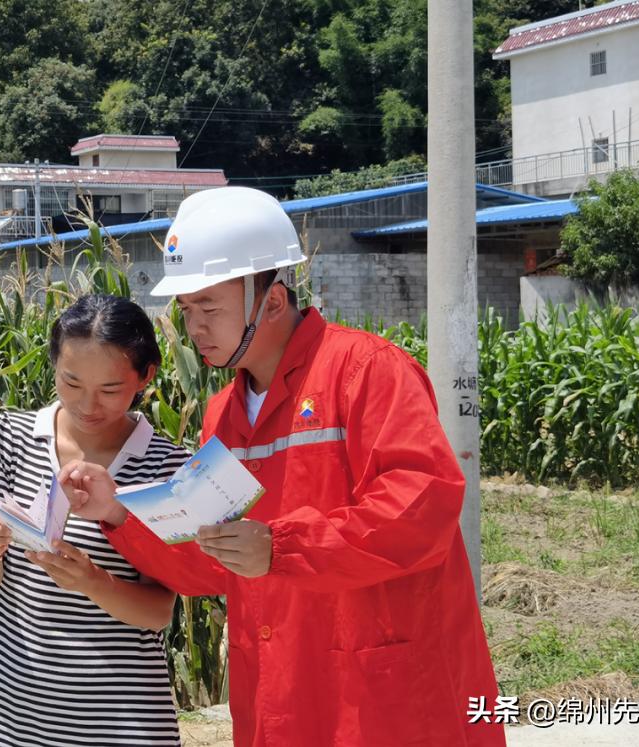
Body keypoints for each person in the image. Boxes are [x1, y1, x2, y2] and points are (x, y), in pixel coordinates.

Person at [56, 187, 506, 746]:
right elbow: (213, 559)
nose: (195, 328)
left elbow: (422, 510)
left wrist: (282, 548)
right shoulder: (222, 416)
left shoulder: (366, 371)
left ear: (271, 301)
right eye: (188, 309)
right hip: (281, 693)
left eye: (210, 307)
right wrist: (119, 515)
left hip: (381, 701)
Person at [0, 294, 189, 747]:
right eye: (71, 382)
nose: (87, 405)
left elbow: (159, 612)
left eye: (111, 390)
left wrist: (92, 581)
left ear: (146, 377)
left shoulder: (167, 467)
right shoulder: (9, 437)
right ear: (55, 365)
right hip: (6, 712)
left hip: (122, 718)